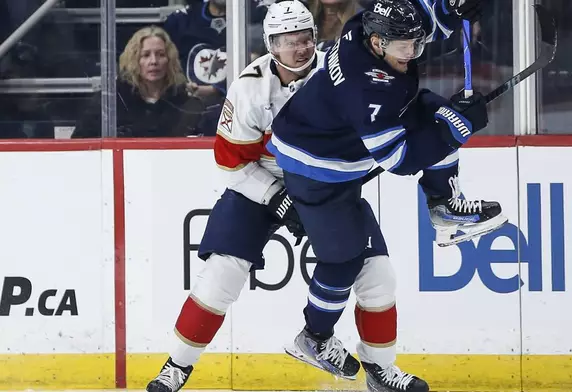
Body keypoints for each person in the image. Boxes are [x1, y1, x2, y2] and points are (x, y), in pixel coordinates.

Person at [267, 0, 502, 391]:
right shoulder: (368, 90)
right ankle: (313, 336)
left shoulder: (364, 27)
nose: (412, 53)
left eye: (415, 44)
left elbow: (419, 17)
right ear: (378, 44)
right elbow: (401, 160)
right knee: (343, 261)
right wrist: (457, 133)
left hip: (338, 145)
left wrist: (449, 6)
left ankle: (443, 207)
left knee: (380, 279)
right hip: (317, 168)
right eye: (404, 47)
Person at [145, 2, 324, 392]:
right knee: (219, 276)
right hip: (258, 179)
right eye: (287, 41)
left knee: (371, 271)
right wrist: (275, 195)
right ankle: (177, 366)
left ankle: (378, 365)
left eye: (304, 38)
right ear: (271, 45)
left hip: (322, 181)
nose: (299, 49)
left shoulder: (336, 74)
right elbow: (230, 162)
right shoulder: (249, 86)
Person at [72, 26, 204, 138]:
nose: (154, 61)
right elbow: (80, 145)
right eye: (145, 55)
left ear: (170, 60)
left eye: (161, 54)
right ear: (134, 60)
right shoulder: (109, 101)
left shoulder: (185, 101)